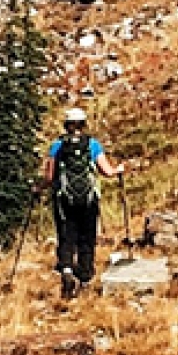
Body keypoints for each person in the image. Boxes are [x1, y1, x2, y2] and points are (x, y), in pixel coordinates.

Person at [39, 107, 123, 297]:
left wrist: (38, 188)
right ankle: (85, 277)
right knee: (87, 236)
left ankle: (67, 269)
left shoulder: (57, 146)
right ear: (83, 124)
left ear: (66, 125)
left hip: (64, 200)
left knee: (66, 235)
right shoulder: (92, 145)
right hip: (88, 200)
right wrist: (119, 170)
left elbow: (50, 176)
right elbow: (107, 171)